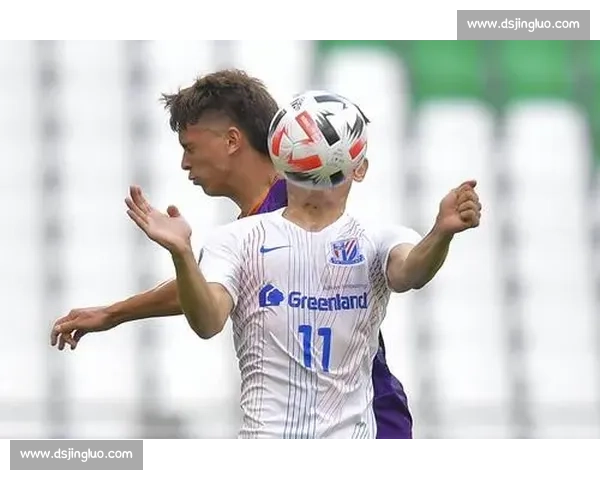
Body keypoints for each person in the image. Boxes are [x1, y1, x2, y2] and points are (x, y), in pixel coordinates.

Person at [51, 69, 410, 439]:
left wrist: (114, 313)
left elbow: (204, 293)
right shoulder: (257, 225)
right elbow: (210, 287)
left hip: (365, 422)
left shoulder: (296, 205)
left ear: (232, 140)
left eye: (189, 147)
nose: (184, 163)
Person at [121, 94, 482, 438]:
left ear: (360, 169)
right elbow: (208, 321)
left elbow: (410, 273)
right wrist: (182, 254)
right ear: (282, 160)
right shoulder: (235, 239)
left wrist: (441, 233)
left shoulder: (378, 238)